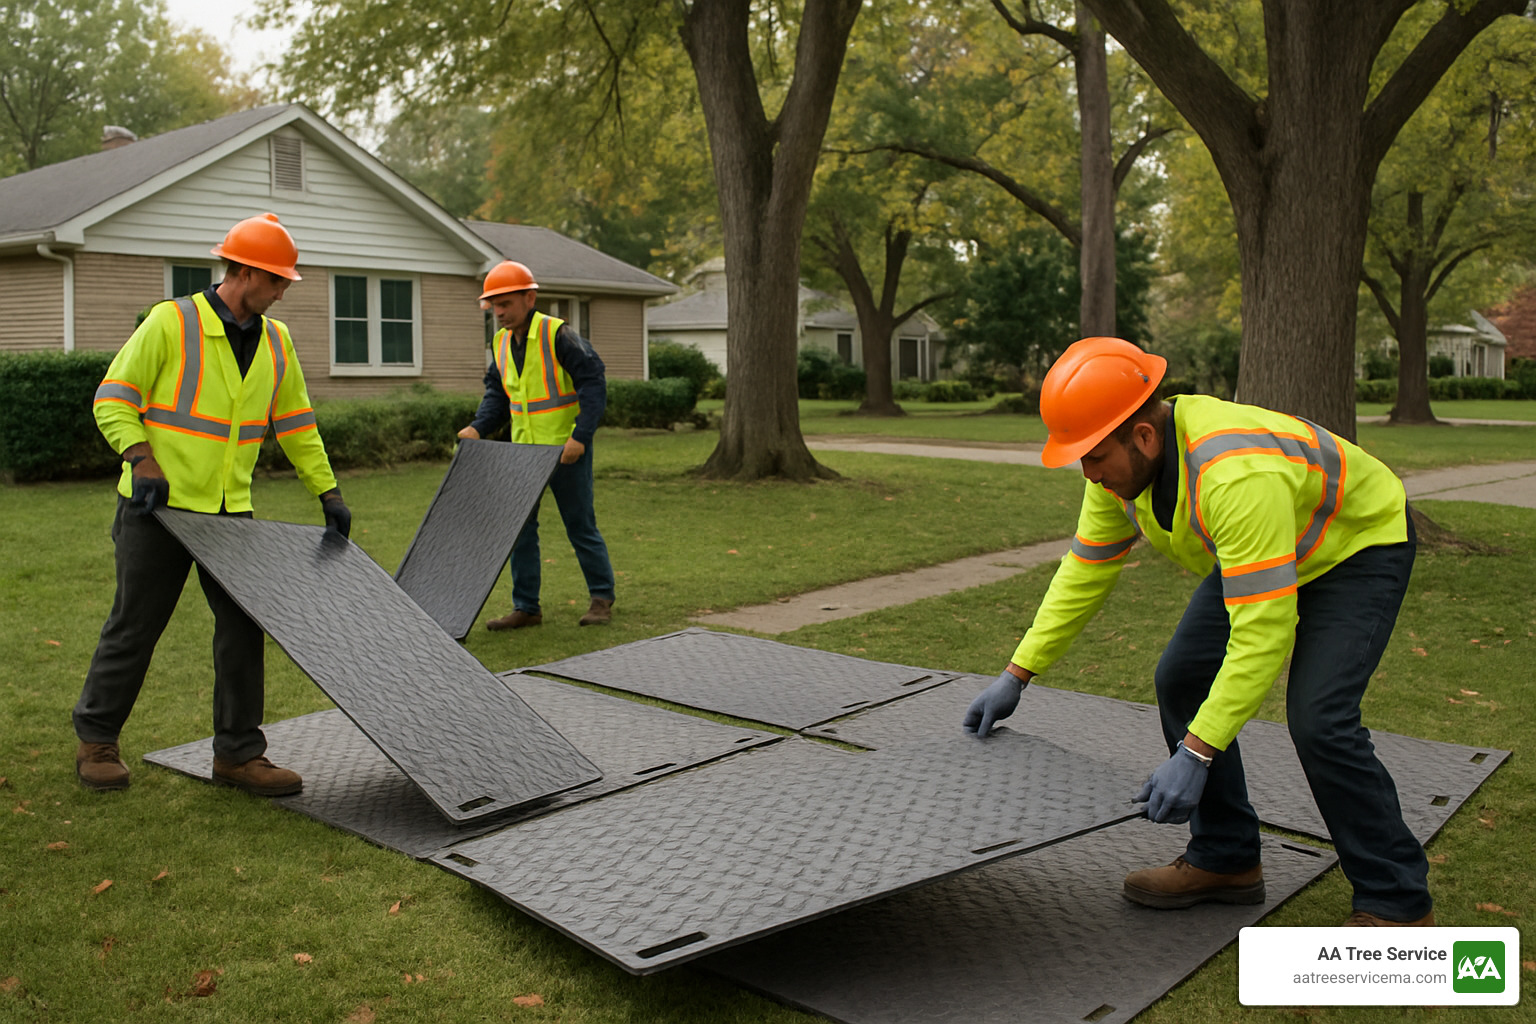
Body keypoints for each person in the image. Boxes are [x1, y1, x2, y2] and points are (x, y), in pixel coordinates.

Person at [963, 336, 1433, 927]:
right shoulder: (1118, 476)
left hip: (1355, 546)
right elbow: (1084, 571)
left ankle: (1396, 901)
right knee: (1182, 677)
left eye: (1095, 455)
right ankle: (1226, 859)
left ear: (1143, 435)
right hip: (1264, 546)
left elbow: (1262, 637)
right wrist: (1017, 673)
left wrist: (1196, 751)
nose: (1088, 471)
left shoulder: (1232, 475)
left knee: (1320, 721)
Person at [75, 212, 350, 797]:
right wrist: (140, 458)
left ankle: (239, 755)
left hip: (230, 514)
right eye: (277, 280)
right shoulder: (171, 322)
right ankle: (97, 741)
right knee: (135, 627)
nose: (282, 291)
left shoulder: (278, 342)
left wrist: (326, 490)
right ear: (245, 272)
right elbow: (112, 400)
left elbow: (297, 423)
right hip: (159, 511)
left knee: (243, 629)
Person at [457, 260, 615, 629]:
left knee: (580, 525)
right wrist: (477, 428)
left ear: (529, 298)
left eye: (506, 304)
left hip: (565, 451)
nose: (498, 312)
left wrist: (580, 436)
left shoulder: (558, 334)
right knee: (520, 530)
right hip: (522, 453)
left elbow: (594, 383)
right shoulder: (499, 342)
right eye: (493, 306)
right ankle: (526, 607)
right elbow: (498, 394)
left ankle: (601, 598)